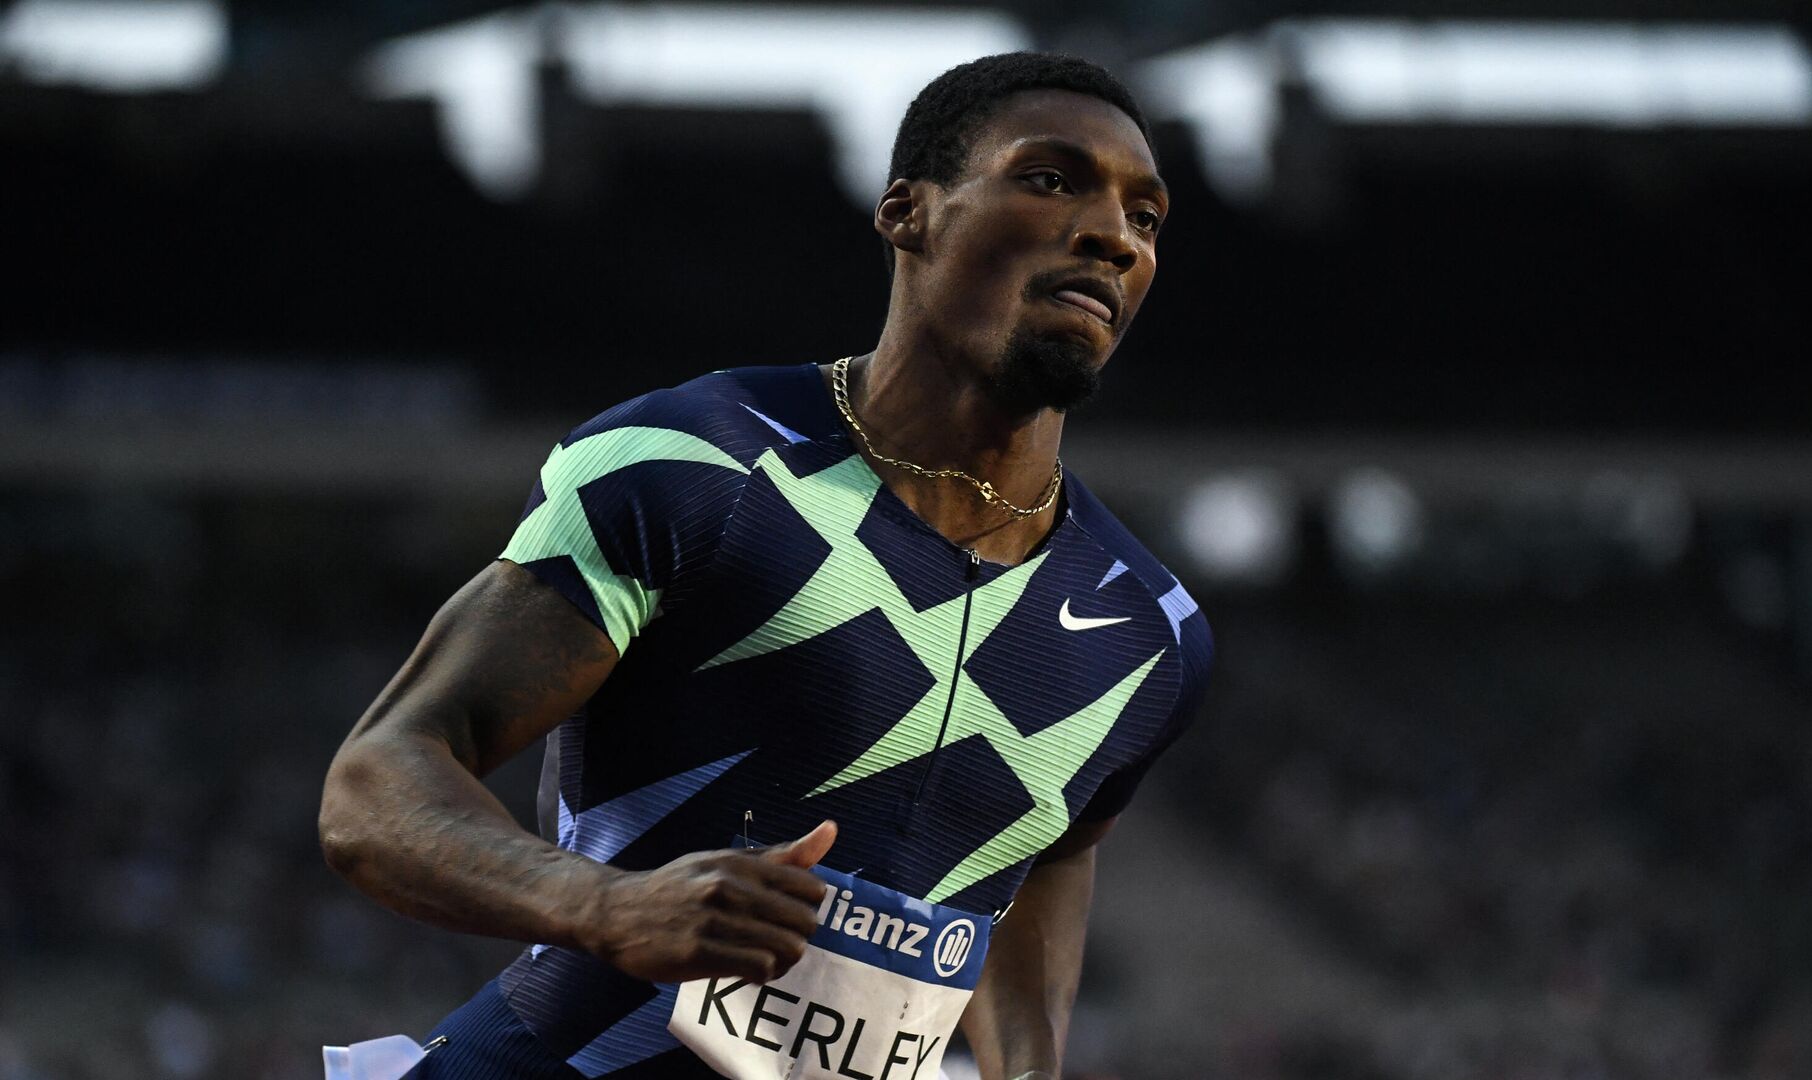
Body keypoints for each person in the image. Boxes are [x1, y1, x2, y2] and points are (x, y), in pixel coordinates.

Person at [318, 51, 1211, 1080]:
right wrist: (608, 906)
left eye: (1145, 218)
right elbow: (373, 786)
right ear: (905, 212)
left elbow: (1044, 861)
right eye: (1051, 180)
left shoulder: (1155, 634)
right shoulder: (694, 465)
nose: (1111, 234)